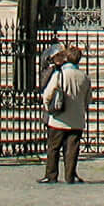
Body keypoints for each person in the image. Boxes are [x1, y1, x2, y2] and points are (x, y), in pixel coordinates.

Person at [39, 43, 89, 183]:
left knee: (54, 148)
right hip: (77, 119)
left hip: (59, 119)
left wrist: (48, 108)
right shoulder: (84, 77)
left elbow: (48, 94)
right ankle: (70, 175)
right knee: (72, 150)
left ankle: (51, 175)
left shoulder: (59, 74)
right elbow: (88, 99)